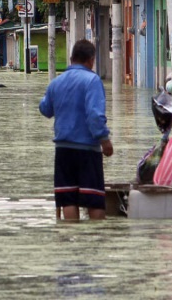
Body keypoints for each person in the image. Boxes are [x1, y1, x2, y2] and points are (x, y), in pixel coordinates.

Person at [38, 39, 113, 221]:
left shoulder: (56, 82)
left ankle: (71, 238)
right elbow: (95, 116)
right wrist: (105, 141)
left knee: (68, 199)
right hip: (87, 151)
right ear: (91, 60)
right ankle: (96, 239)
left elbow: (45, 109)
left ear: (71, 59)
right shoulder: (92, 80)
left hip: (63, 150)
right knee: (94, 199)